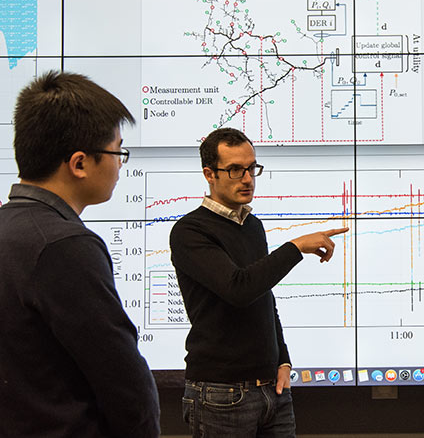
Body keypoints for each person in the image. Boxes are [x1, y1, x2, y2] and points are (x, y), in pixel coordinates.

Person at [0, 71, 160, 437]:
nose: (120, 164)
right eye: (117, 151)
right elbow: (125, 384)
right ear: (79, 163)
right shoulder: (64, 245)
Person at [170, 127, 347, 438]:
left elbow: (263, 295)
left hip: (272, 390)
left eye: (252, 168)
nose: (248, 178)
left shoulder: (252, 226)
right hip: (221, 394)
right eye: (235, 170)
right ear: (209, 174)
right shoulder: (190, 231)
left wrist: (283, 359)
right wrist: (296, 247)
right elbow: (239, 288)